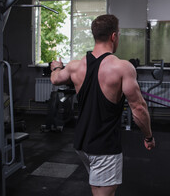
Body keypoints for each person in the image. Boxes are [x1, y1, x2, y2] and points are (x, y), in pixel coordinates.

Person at [50, 14, 155, 196]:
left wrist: (56, 66)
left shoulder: (75, 66)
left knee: (100, 189)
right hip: (104, 146)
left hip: (82, 144)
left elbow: (56, 79)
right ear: (114, 36)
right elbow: (138, 108)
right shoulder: (122, 67)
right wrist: (148, 137)